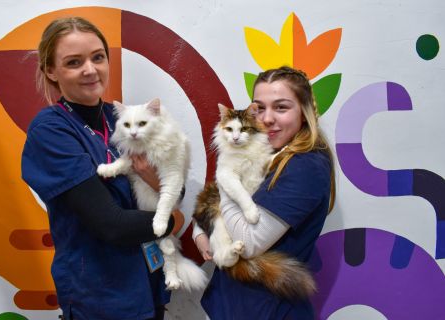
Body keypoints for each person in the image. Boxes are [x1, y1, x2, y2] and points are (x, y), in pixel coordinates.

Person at [21, 17, 183, 320]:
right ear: (51, 71)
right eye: (73, 62)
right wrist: (173, 218)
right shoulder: (51, 130)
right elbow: (111, 224)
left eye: (98, 57)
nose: (90, 69)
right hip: (101, 296)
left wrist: (158, 182)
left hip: (148, 284)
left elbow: (177, 182)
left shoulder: (121, 117)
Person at [193, 66, 336, 319]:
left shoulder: (306, 166)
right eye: (259, 108)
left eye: (281, 107)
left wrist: (226, 176)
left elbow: (248, 244)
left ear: (304, 113)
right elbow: (214, 201)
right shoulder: (267, 150)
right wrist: (202, 230)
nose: (267, 118)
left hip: (265, 310)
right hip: (230, 303)